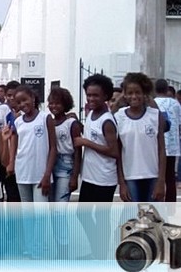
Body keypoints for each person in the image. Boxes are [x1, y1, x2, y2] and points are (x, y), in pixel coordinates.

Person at [74, 74, 119, 260]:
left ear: (106, 96)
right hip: (90, 176)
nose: (91, 99)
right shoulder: (92, 114)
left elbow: (114, 151)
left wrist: (86, 143)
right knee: (82, 214)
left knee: (101, 218)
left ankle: (99, 254)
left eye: (96, 96)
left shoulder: (107, 121)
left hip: (104, 178)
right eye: (89, 95)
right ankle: (96, 249)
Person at [116, 73, 166, 202]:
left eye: (138, 92)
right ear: (125, 95)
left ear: (145, 94)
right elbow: (118, 152)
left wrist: (161, 180)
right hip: (130, 177)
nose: (134, 96)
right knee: (134, 217)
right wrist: (122, 183)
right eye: (130, 93)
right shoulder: (119, 117)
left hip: (153, 176)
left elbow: (161, 150)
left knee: (153, 218)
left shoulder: (155, 115)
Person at [13, 85, 56, 203]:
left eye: (24, 99)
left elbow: (53, 148)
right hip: (22, 173)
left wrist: (47, 174)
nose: (22, 104)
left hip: (40, 175)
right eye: (19, 102)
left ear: (32, 98)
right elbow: (15, 147)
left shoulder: (45, 118)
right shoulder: (17, 122)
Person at [46, 87, 81, 202]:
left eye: (57, 103)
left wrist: (75, 177)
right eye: (51, 103)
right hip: (50, 165)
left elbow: (77, 151)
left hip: (66, 166)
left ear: (65, 104)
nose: (53, 106)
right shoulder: (49, 122)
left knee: (60, 205)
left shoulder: (71, 123)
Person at [153, 78, 181, 201]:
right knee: (170, 177)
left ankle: (157, 201)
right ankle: (171, 204)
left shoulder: (153, 103)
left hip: (157, 145)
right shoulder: (176, 104)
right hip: (172, 144)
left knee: (156, 175)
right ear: (166, 89)